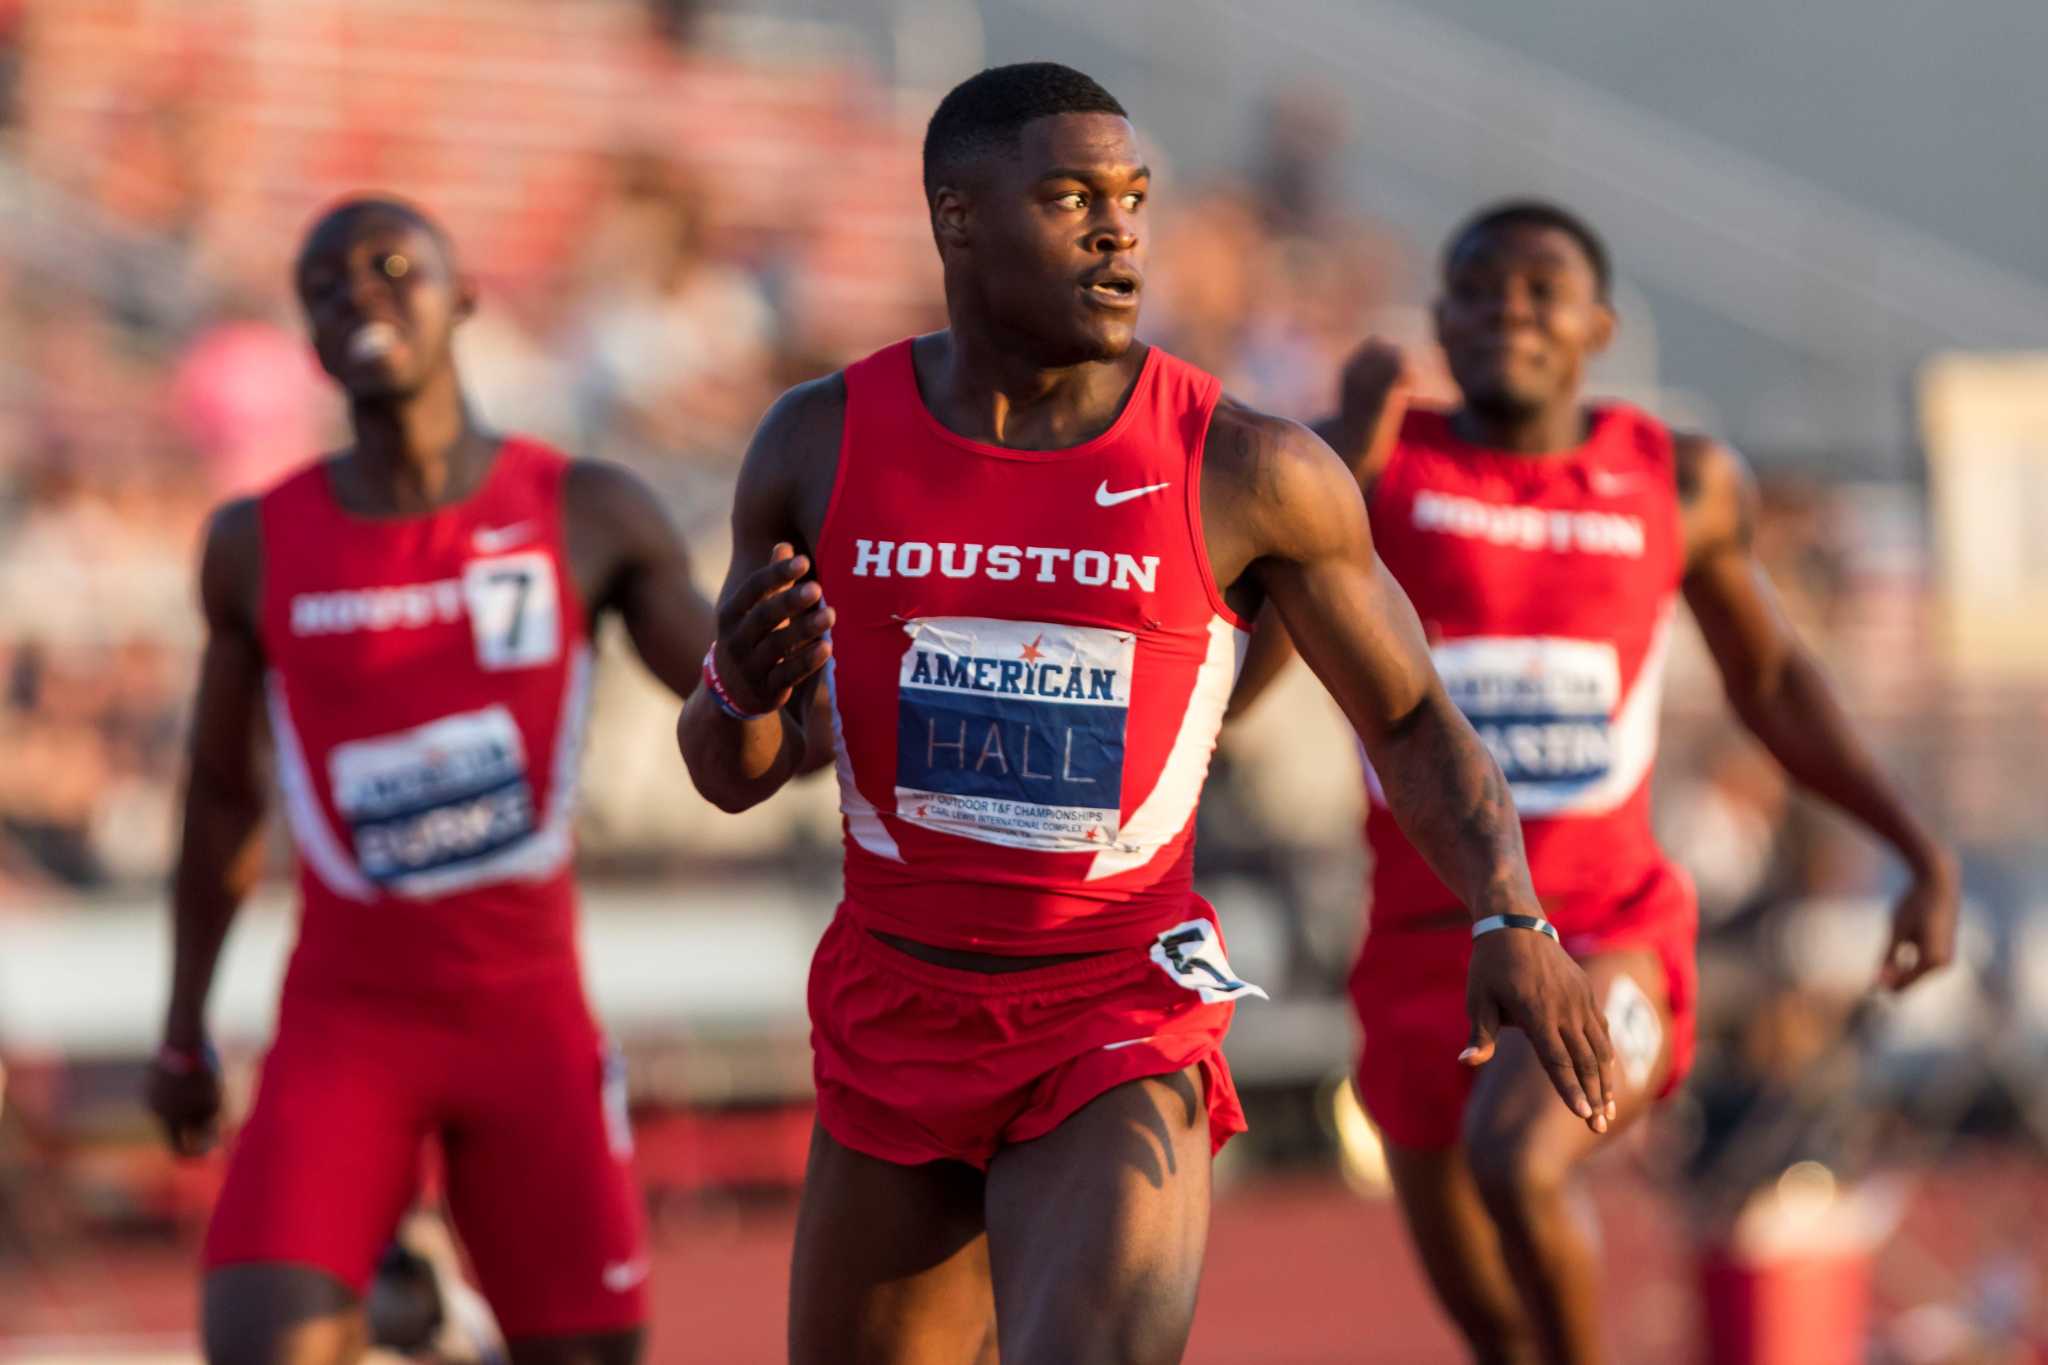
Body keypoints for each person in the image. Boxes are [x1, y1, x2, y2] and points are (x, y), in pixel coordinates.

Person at [677, 65, 1618, 1365]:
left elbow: (1409, 718)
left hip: (1116, 1009)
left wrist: (1508, 909)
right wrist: (738, 682)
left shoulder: (1248, 466)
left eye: (1132, 198)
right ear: (957, 217)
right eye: (1071, 200)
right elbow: (738, 772)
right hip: (895, 1011)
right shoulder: (819, 443)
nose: (1121, 231)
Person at [1231, 200, 1961, 1364]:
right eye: (1475, 290)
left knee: (1517, 1157)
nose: (1504, 311)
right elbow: (1243, 690)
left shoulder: (1676, 480)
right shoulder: (1378, 464)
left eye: (1537, 291)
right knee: (1493, 1330)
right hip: (1421, 947)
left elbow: (1769, 677)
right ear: (1437, 319)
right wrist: (1341, 453)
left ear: (1597, 324)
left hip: (1605, 933)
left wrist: (1912, 847)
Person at [145, 196, 721, 1365]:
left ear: (464, 298)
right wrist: (182, 1029)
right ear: (306, 340)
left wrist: (793, 678)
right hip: (344, 1031)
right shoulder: (256, 543)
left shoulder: (587, 511)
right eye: (322, 284)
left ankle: (438, 1323)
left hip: (532, 1033)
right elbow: (219, 798)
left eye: (392, 266)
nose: (357, 292)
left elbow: (745, 717)